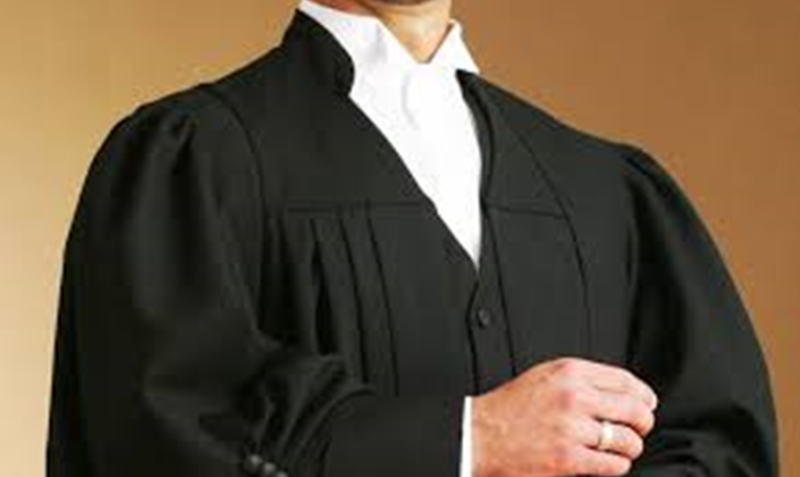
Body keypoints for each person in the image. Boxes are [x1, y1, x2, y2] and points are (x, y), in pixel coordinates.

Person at [45, 0, 779, 476]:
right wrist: (469, 440)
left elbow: (719, 446)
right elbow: (164, 436)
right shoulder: (194, 161)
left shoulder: (605, 188)